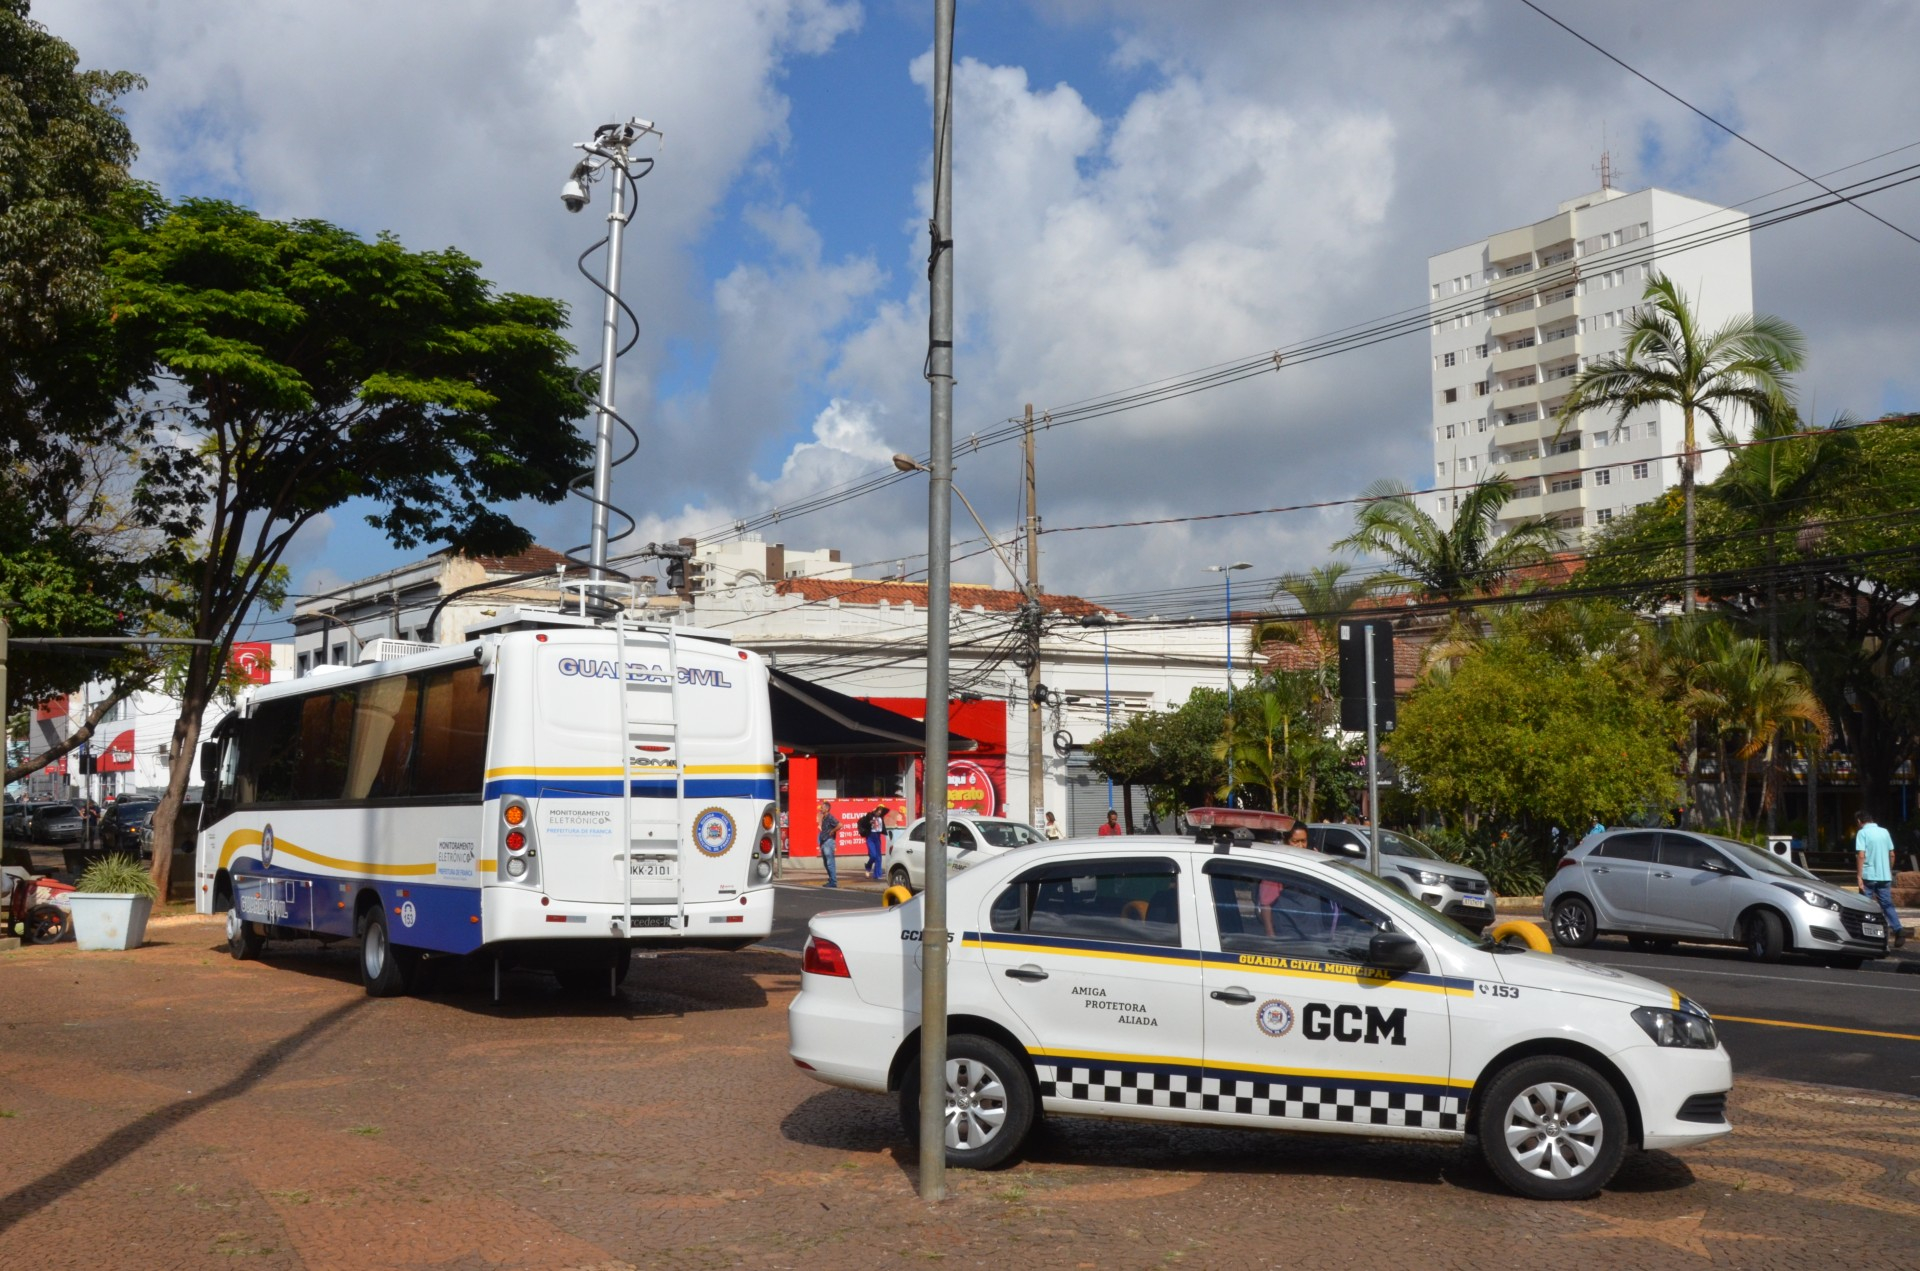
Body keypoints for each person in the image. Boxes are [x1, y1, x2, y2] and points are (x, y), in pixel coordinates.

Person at [1855, 809, 1907, 948]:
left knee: (1865, 905)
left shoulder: (1862, 833)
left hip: (1868, 874)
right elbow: (1892, 854)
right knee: (1887, 904)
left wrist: (1859, 876)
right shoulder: (1885, 832)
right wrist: (1888, 869)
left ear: (1860, 821)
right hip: (1884, 875)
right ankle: (1898, 929)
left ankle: (1867, 934)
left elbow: (1861, 855)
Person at [816, 802, 839, 889]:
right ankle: (831, 879)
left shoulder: (830, 817)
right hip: (824, 842)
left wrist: (832, 831)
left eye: (822, 808)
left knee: (830, 862)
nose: (820, 809)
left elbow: (840, 825)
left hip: (828, 842)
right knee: (826, 863)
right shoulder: (824, 818)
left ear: (827, 809)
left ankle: (833, 881)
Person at [864, 805, 887, 880]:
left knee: (878, 857)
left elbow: (882, 827)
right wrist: (869, 822)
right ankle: (868, 867)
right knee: (873, 855)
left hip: (877, 836)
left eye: (881, 812)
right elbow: (864, 823)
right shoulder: (870, 816)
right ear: (875, 811)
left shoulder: (881, 818)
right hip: (870, 837)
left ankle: (877, 874)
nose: (879, 813)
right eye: (878, 811)